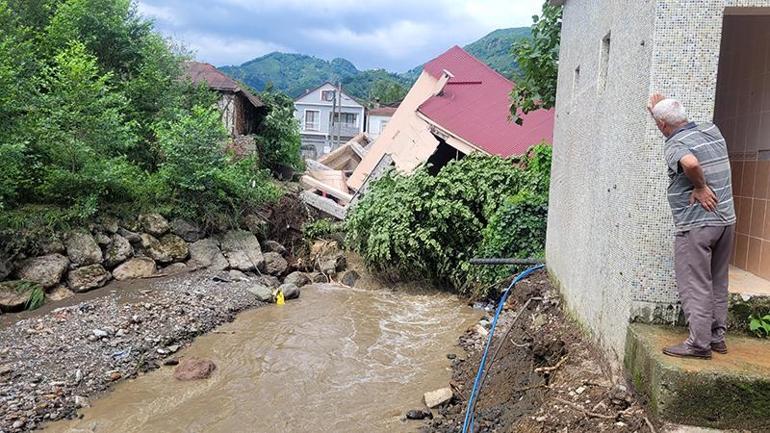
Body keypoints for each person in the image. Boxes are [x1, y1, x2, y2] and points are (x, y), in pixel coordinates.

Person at [647, 93, 736, 360]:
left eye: (657, 123)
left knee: (696, 283)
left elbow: (691, 162)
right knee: (717, 280)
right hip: (725, 221)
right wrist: (656, 108)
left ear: (663, 125)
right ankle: (716, 337)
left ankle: (699, 344)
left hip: (697, 225)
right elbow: (674, 122)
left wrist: (700, 186)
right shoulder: (710, 129)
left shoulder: (675, 144)